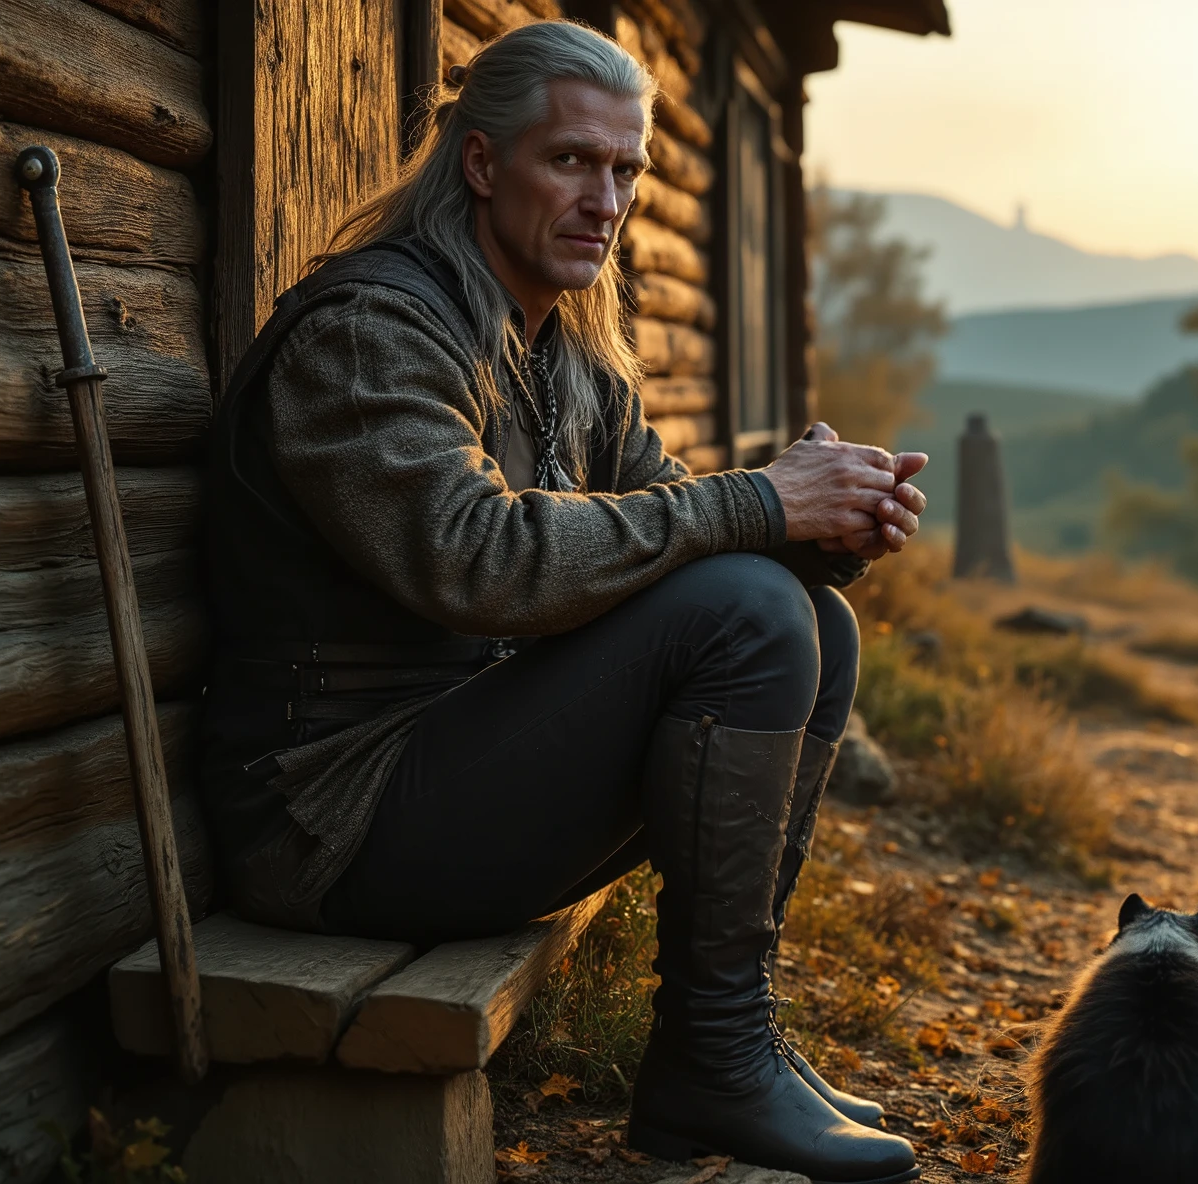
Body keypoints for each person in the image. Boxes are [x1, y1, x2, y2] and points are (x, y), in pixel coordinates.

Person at [198, 18, 926, 1184]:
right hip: (332, 814)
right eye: (572, 160)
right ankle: (718, 1051)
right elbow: (478, 559)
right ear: (483, 163)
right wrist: (759, 505)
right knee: (746, 605)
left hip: (459, 767)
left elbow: (673, 522)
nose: (608, 200)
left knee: (809, 622)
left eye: (626, 168)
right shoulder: (369, 333)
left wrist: (822, 529)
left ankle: (719, 1035)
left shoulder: (564, 348)